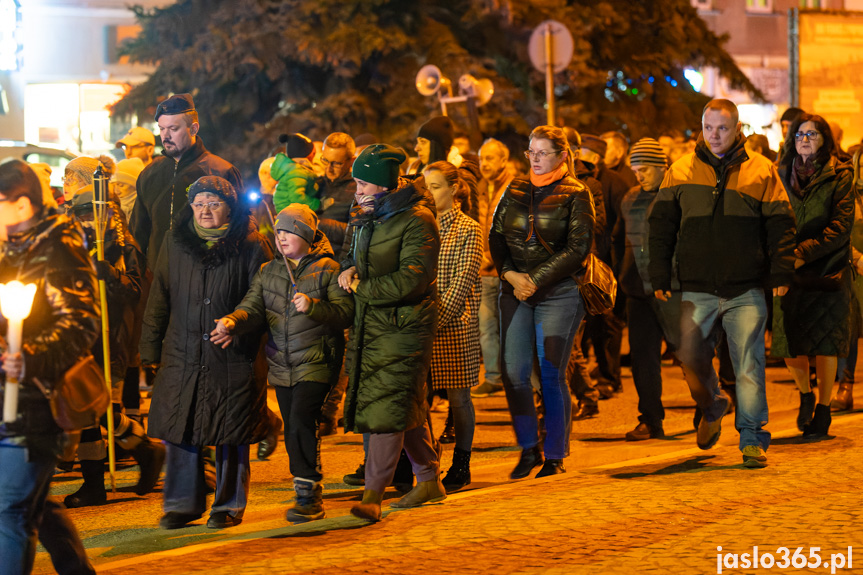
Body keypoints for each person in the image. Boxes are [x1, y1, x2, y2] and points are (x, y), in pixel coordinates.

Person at [649, 98, 797, 469]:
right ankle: (713, 404)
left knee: (748, 363)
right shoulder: (680, 169)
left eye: (722, 128)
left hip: (745, 286)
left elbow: (781, 225)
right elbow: (662, 226)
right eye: (708, 127)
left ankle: (752, 438)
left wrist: (781, 272)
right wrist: (659, 273)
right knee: (689, 355)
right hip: (696, 285)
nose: (714, 135)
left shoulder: (762, 171)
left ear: (738, 130)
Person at [140, 176, 273, 530]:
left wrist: (239, 328)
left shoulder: (252, 244)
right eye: (198, 204)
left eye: (213, 203)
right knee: (180, 425)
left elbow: (265, 298)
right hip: (183, 349)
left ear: (229, 207)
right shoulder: (175, 241)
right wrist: (149, 349)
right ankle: (183, 503)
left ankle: (228, 504)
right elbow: (160, 296)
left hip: (232, 352)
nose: (204, 211)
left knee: (231, 431)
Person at [212, 203, 353, 522]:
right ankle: (306, 487)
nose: (282, 237)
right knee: (293, 427)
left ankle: (308, 496)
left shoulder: (329, 269)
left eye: (290, 230)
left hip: (317, 362)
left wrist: (314, 306)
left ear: (306, 234)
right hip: (282, 364)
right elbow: (252, 307)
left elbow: (345, 314)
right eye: (278, 231)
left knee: (302, 422)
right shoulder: (269, 271)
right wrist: (233, 322)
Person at [0, 159, 98, 575]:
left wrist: (32, 357)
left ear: (21, 206)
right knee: (32, 500)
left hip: (35, 400)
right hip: (6, 394)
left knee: (11, 510)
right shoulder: (8, 247)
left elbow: (80, 323)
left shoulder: (58, 247)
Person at [338, 144, 443, 522]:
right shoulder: (367, 215)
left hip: (405, 324)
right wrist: (348, 269)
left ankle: (373, 494)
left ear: (384, 185)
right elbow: (353, 254)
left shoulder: (417, 220)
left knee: (385, 407)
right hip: (374, 322)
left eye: (364, 182)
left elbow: (414, 278)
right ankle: (429, 478)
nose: (358, 189)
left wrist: (362, 289)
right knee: (400, 404)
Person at [489, 125, 594, 479]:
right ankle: (528, 447)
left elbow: (578, 249)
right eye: (530, 152)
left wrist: (534, 279)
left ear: (563, 156)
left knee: (551, 373)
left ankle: (555, 454)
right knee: (514, 372)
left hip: (559, 292)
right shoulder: (515, 189)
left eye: (542, 153)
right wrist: (509, 274)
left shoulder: (577, 194)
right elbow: (496, 235)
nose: (534, 159)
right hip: (515, 289)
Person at [60, 155, 164, 508]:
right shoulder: (74, 237)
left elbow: (135, 289)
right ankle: (122, 462)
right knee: (85, 407)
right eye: (81, 215)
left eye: (90, 214)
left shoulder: (120, 243)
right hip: (78, 331)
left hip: (108, 335)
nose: (85, 221)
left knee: (93, 406)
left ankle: (141, 451)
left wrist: (109, 274)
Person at [773, 113, 854, 438]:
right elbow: (772, 217)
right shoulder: (780, 173)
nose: (805, 139)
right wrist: (782, 255)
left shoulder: (840, 174)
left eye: (812, 134)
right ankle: (805, 394)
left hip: (827, 269)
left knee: (825, 344)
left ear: (825, 140)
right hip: (787, 268)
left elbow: (840, 227)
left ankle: (823, 407)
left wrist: (803, 253)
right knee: (790, 340)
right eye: (800, 135)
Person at [423, 161, 483, 491]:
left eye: (435, 187)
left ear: (454, 188)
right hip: (424, 325)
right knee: (421, 398)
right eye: (426, 188)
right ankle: (426, 461)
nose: (430, 194)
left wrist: (432, 321)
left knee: (459, 398)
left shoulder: (469, 229)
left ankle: (462, 461)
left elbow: (462, 284)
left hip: (454, 327)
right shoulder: (422, 224)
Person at [614, 139, 679, 441]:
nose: (639, 176)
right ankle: (650, 419)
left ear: (661, 167)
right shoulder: (629, 198)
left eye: (645, 170)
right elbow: (618, 240)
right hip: (637, 289)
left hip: (672, 289)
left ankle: (708, 406)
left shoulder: (677, 196)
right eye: (635, 170)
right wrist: (620, 276)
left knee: (689, 352)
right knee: (643, 358)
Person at [130, 93, 243, 266]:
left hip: (205, 276)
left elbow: (240, 229)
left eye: (173, 129)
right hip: (156, 280)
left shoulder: (221, 171)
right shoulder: (149, 174)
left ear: (194, 128)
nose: (165, 136)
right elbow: (138, 234)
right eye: (161, 128)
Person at [471, 139, 513, 399]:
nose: (484, 163)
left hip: (507, 272)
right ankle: (494, 378)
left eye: (489, 158)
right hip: (484, 272)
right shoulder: (480, 187)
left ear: (503, 160)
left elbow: (512, 231)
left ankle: (516, 380)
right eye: (481, 158)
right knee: (487, 328)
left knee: (512, 328)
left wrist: (493, 257)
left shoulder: (513, 187)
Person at [410, 116, 480, 221]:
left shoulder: (463, 175)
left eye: (423, 142)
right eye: (417, 142)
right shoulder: (418, 173)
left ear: (436, 146)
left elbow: (472, 218)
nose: (417, 148)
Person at [271, 133, 321, 212]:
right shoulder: (297, 172)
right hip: (290, 213)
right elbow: (297, 198)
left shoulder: (294, 169)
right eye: (313, 152)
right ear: (306, 155)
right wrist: (318, 204)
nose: (315, 155)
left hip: (288, 211)